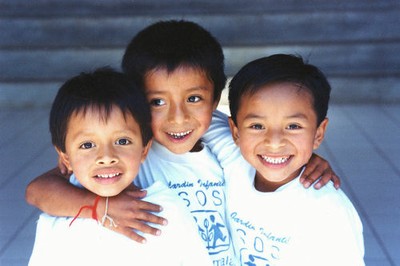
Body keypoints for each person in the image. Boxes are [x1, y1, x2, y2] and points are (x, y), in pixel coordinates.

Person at [25, 20, 339, 265]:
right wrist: (101, 207)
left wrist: (303, 157)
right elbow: (39, 191)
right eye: (157, 102)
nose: (178, 118)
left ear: (215, 99)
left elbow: (266, 142)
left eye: (193, 98)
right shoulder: (128, 152)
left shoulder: (222, 137)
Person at [28, 68, 212, 266]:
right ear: (65, 157)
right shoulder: (57, 218)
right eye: (87, 145)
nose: (106, 157)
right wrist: (101, 208)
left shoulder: (166, 212)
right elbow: (34, 192)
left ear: (144, 149)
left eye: (122, 141)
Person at [204, 54, 365, 265]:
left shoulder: (328, 212)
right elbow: (186, 118)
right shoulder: (234, 158)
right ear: (235, 131)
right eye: (257, 126)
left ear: (318, 133)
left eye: (293, 127)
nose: (274, 142)